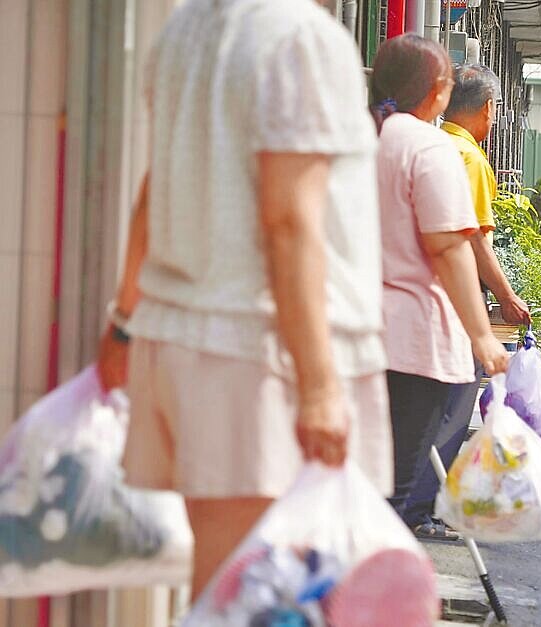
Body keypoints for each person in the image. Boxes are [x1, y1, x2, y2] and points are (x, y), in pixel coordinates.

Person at [96, 0, 390, 597]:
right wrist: (320, 387)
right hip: (262, 358)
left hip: (195, 340)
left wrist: (125, 320)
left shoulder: (185, 29)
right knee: (253, 594)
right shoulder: (300, 39)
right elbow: (288, 220)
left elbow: (156, 190)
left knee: (237, 590)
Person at [370, 35, 510, 522]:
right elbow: (449, 246)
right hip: (411, 341)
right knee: (394, 490)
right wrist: (482, 336)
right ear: (438, 90)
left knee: (361, 481)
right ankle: (375, 591)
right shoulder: (427, 146)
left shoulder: (360, 138)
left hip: (350, 332)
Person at [402, 64, 530, 540]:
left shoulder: (431, 147)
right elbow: (473, 242)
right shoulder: (470, 158)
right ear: (487, 109)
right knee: (455, 406)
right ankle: (419, 509)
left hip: (417, 294)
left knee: (424, 404)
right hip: (455, 297)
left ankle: (410, 501)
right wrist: (506, 298)